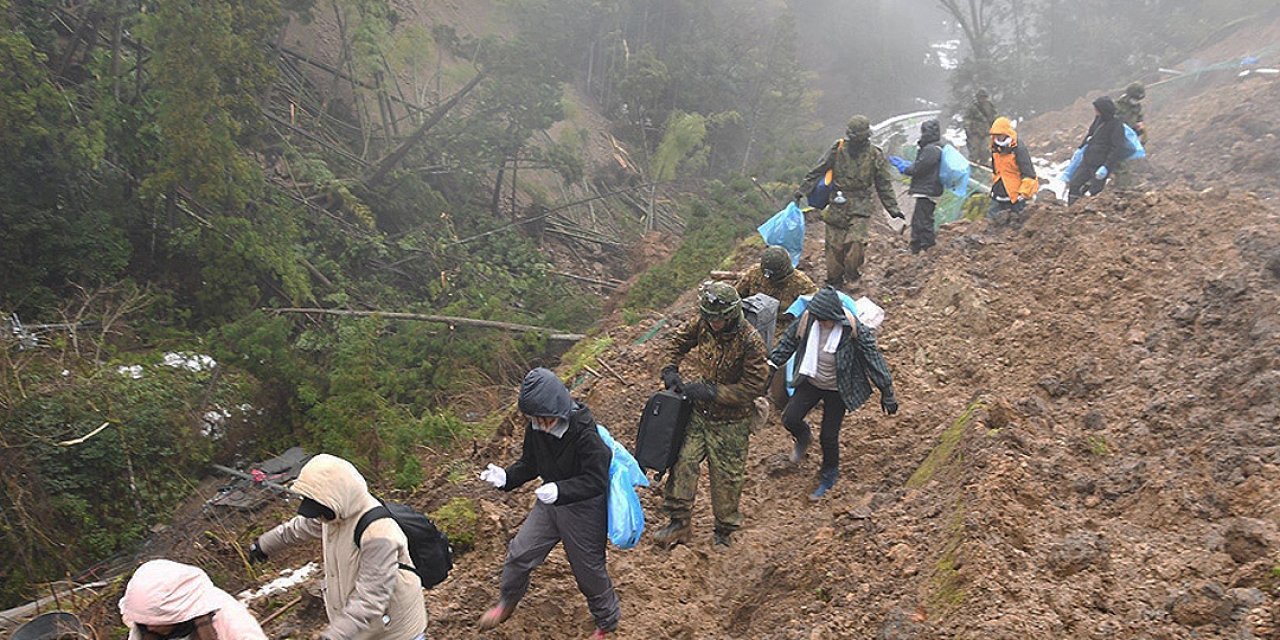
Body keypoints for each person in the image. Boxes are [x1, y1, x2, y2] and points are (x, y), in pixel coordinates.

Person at [476, 367, 619, 639]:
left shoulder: (585, 433)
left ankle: (606, 622)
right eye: (535, 420)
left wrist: (561, 490)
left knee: (588, 570)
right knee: (520, 553)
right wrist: (507, 477)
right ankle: (507, 602)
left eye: (545, 420)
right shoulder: (537, 427)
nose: (540, 425)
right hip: (550, 504)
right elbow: (531, 462)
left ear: (559, 410)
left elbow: (596, 480)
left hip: (584, 506)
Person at [251, 454, 427, 640]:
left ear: (336, 498)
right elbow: (295, 529)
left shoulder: (378, 534)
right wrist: (262, 545)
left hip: (394, 632)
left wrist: (334, 636)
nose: (317, 516)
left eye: (319, 509)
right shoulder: (332, 515)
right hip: (359, 630)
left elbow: (370, 599)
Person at [654, 282, 769, 548]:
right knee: (683, 463)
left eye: (720, 319)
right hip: (699, 414)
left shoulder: (750, 342)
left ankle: (725, 530)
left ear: (731, 314)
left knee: (726, 477)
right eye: (711, 318)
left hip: (732, 421)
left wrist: (712, 392)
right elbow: (679, 341)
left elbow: (752, 388)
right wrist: (670, 367)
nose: (715, 324)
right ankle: (678, 523)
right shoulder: (703, 323)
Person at [768, 287, 898, 501]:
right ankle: (803, 436)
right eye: (819, 319)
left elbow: (873, 358)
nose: (822, 324)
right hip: (811, 380)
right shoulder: (808, 320)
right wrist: (772, 364)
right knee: (790, 418)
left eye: (826, 320)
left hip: (839, 387)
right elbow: (788, 343)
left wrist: (887, 391)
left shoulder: (853, 329)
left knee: (828, 435)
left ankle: (829, 473)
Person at [794, 116, 905, 290]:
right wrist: (802, 190)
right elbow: (818, 170)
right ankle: (834, 279)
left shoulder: (875, 154)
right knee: (834, 246)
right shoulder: (837, 149)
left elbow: (883, 183)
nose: (855, 141)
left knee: (856, 242)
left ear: (866, 136)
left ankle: (853, 275)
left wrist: (893, 208)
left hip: (861, 204)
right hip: (837, 202)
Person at [735, 246, 818, 408]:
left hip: (783, 326)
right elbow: (737, 297)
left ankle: (777, 393)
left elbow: (815, 305)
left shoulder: (801, 283)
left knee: (779, 356)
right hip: (754, 321)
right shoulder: (754, 274)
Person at [120, 559, 268, 640]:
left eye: (155, 622)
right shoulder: (145, 626)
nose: (150, 627)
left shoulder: (233, 623)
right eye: (145, 622)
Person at [892, 119, 944, 253]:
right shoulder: (934, 148)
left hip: (927, 190)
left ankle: (926, 247)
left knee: (923, 220)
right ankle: (916, 247)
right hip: (929, 189)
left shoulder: (931, 149)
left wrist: (905, 167)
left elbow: (919, 168)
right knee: (919, 219)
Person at [1067, 96, 1130, 204]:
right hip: (1087, 160)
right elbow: (1090, 134)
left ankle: (1089, 214)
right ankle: (1071, 209)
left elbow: (1117, 148)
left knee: (1094, 191)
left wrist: (1106, 166)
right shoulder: (1098, 119)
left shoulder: (1116, 125)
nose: (1095, 112)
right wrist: (1081, 148)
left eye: (1097, 109)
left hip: (1101, 164)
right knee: (1075, 184)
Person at [987, 117, 1038, 225]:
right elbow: (995, 169)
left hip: (1016, 194)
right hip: (999, 190)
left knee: (1017, 224)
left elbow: (1029, 173)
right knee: (992, 223)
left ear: (1006, 133)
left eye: (999, 134)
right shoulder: (995, 147)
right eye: (995, 135)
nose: (997, 137)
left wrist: (1023, 193)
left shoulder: (1018, 148)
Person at [1113, 82, 1147, 189]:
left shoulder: (1137, 107)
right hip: (1114, 137)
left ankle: (1122, 189)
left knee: (1124, 165)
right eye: (1134, 98)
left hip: (1128, 139)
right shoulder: (1117, 105)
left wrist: (1140, 127)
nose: (1135, 101)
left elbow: (1139, 119)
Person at [964, 89, 998, 166]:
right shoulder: (973, 108)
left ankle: (983, 166)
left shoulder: (990, 106)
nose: (982, 99)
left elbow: (995, 117)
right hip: (975, 133)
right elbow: (967, 119)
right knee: (974, 152)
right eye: (981, 97)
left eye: (984, 97)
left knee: (985, 151)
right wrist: (968, 128)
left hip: (986, 132)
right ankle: (973, 168)